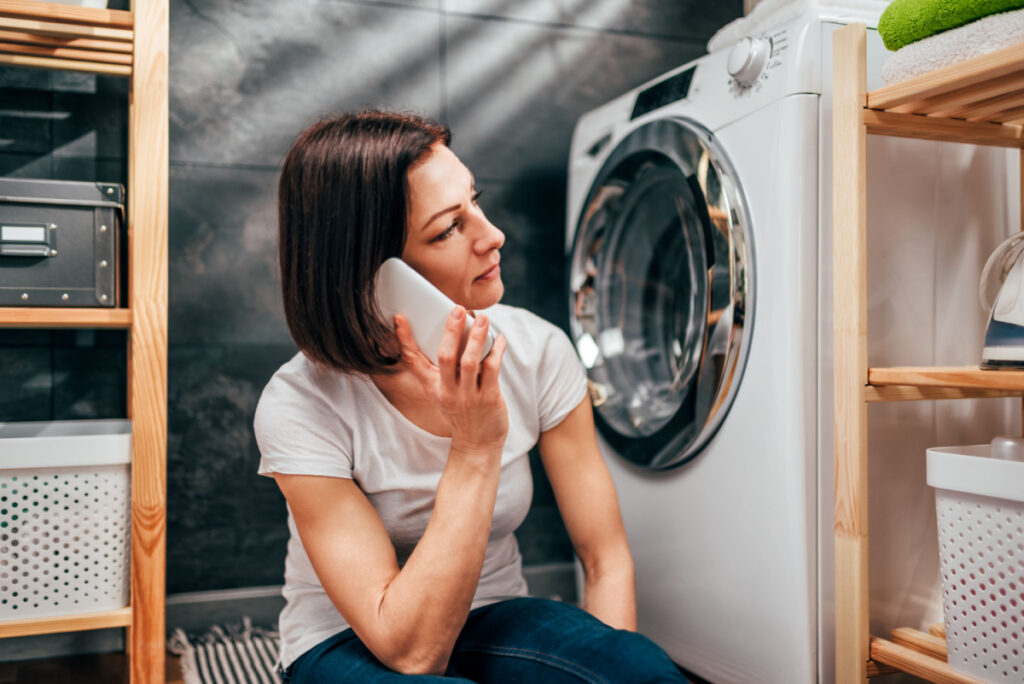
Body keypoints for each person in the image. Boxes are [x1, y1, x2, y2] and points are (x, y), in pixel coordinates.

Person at [254, 109, 689, 683]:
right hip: (348, 638)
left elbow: (604, 559)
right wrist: (476, 445)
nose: (493, 235)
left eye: (475, 203)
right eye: (448, 228)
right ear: (372, 275)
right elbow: (410, 652)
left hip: (494, 616)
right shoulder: (300, 403)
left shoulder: (538, 350)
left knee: (640, 669)